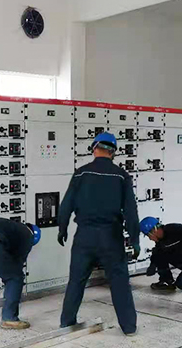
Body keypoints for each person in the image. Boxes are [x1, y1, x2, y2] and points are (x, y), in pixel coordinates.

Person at [57, 132, 139, 336]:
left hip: (84, 236)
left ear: (94, 148)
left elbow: (66, 204)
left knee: (76, 281)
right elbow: (131, 211)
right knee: (119, 282)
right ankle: (129, 327)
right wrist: (135, 239)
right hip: (111, 237)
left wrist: (62, 228)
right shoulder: (121, 176)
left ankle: (67, 322)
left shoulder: (81, 173)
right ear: (114, 152)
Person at [140, 217, 182, 294]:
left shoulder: (174, 229)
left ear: (154, 230)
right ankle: (167, 281)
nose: (150, 238)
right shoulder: (160, 242)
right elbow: (157, 253)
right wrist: (152, 265)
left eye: (148, 235)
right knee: (158, 253)